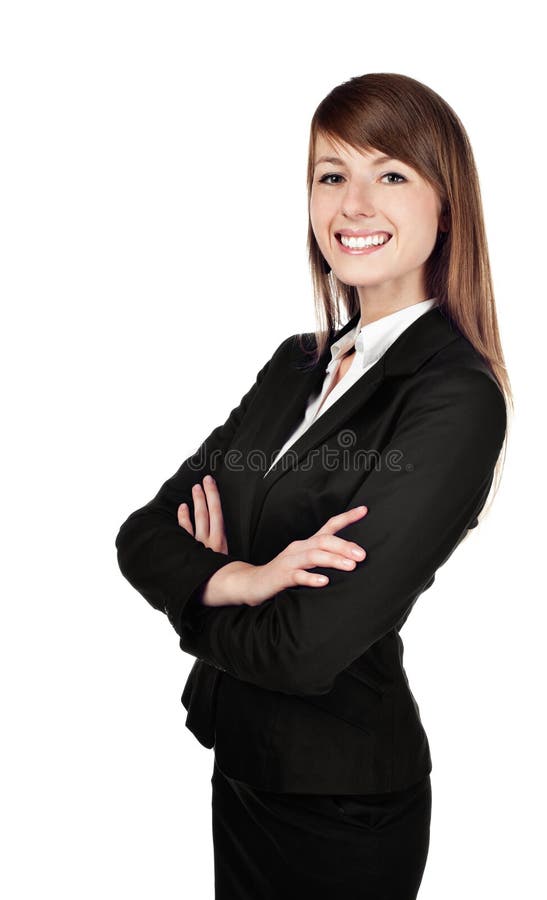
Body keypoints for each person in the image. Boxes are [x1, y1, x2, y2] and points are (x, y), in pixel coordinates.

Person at [116, 72, 512, 900]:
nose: (353, 204)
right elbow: (145, 532)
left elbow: (305, 651)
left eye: (391, 174)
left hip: (343, 809)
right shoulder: (295, 364)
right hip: (244, 774)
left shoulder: (453, 396)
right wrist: (245, 579)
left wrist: (195, 603)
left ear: (447, 206)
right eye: (332, 175)